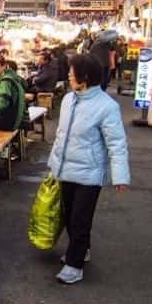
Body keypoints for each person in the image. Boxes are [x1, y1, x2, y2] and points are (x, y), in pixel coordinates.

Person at [48, 55, 130, 284]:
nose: (68, 75)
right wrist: (53, 165)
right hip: (65, 170)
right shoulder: (67, 100)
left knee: (80, 219)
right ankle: (81, 249)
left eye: (72, 72)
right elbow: (60, 137)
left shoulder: (106, 107)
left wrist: (120, 175)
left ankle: (74, 265)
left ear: (85, 76)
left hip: (90, 174)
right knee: (68, 215)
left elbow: (117, 143)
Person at [0, 58, 27, 131]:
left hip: (8, 122)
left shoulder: (6, 81)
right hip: (16, 120)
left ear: (4, 66)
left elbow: (3, 101)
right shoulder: (13, 77)